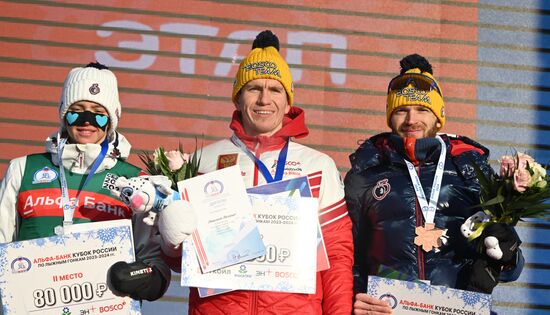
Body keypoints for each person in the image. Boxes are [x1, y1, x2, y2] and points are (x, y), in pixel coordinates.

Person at [158, 30, 354, 314]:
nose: (264, 99)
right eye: (253, 89)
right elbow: (181, 261)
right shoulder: (203, 161)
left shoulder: (317, 166)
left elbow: (336, 255)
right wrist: (171, 240)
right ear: (237, 98)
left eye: (275, 90)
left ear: (288, 103)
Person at [344, 54, 524, 314]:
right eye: (401, 110)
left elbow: (510, 265)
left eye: (422, 110)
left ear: (439, 116)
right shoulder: (366, 172)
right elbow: (348, 256)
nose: (411, 120)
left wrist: (507, 258)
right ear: (389, 116)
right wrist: (357, 298)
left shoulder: (470, 169)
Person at [0, 62, 170, 302]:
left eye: (98, 114)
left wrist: (145, 278)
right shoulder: (23, 169)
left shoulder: (135, 181)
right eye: (77, 110)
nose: (87, 120)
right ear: (63, 113)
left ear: (112, 120)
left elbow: (154, 264)